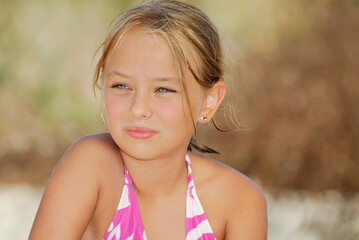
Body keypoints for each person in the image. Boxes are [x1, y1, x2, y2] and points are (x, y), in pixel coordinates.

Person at [29, 0, 267, 239]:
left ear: (209, 101)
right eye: (121, 86)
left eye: (163, 90)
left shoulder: (238, 200)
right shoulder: (92, 166)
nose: (139, 109)